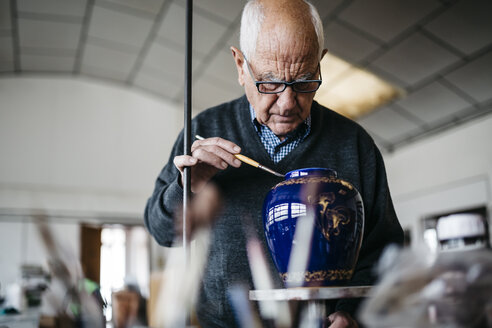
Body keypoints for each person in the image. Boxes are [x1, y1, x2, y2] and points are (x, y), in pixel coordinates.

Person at [144, 0, 404, 327]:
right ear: (241, 65)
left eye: (305, 82)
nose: (287, 103)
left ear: (320, 64)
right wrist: (188, 186)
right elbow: (160, 230)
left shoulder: (355, 145)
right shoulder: (203, 132)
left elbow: (386, 255)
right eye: (269, 82)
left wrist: (355, 315)